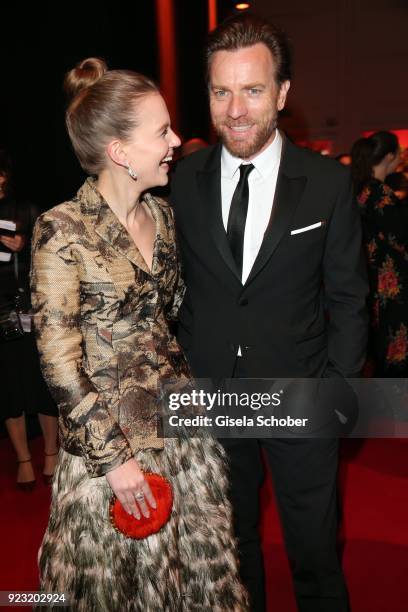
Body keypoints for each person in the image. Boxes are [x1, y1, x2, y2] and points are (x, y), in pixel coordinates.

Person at [30, 58, 247, 611]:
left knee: (196, 584)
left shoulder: (165, 217)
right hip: (110, 454)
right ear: (120, 152)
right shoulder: (62, 229)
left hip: (182, 434)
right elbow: (59, 362)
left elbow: (167, 324)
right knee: (116, 594)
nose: (176, 140)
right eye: (162, 131)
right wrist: (115, 460)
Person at [170, 14, 368, 612]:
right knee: (231, 552)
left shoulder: (328, 184)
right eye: (220, 91)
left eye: (252, 90)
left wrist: (335, 389)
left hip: (300, 394)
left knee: (314, 552)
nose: (235, 109)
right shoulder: (180, 182)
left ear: (282, 94)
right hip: (212, 398)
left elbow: (350, 298)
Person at [0, 149, 58, 489]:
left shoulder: (28, 209)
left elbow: (54, 252)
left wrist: (26, 244)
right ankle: (23, 458)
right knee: (9, 389)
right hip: (0, 311)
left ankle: (51, 452)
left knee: (41, 381)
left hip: (32, 307)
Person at [351, 131, 408, 376]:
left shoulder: (360, 189)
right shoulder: (380, 193)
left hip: (370, 277)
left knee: (378, 346)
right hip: (390, 282)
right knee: (394, 348)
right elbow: (400, 237)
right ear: (389, 156)